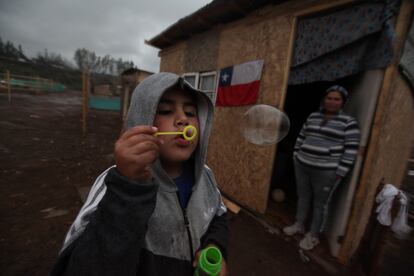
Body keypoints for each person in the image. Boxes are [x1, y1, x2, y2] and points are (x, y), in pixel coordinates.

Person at [51, 72, 229, 275]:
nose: (182, 120)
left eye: (190, 112)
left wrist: (215, 246)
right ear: (141, 121)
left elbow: (218, 215)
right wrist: (129, 187)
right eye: (165, 110)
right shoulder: (116, 183)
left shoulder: (205, 176)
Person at [283, 85, 360, 251]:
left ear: (343, 102)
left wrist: (340, 172)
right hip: (302, 165)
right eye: (329, 98)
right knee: (303, 197)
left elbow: (351, 150)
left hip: (327, 172)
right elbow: (301, 136)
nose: (332, 102)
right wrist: (296, 155)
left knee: (320, 204)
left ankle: (313, 235)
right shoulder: (313, 117)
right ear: (324, 100)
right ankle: (299, 225)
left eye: (336, 99)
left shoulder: (348, 122)